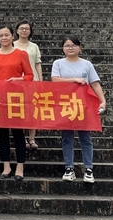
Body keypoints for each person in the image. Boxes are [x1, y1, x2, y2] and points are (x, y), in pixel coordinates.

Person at [51, 34, 107, 183]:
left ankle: (88, 169)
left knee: (85, 137)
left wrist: (103, 101)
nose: (70, 48)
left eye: (73, 45)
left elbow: (95, 83)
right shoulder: (58, 63)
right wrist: (74, 80)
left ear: (80, 47)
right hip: (65, 105)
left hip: (83, 105)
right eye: (67, 45)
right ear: (63, 48)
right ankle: (69, 168)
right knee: (67, 138)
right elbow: (55, 80)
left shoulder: (86, 64)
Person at [0, 25, 34, 180]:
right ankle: (6, 166)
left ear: (13, 36)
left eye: (7, 35)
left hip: (16, 98)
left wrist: (19, 79)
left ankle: (20, 166)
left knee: (18, 133)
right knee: (2, 133)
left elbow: (30, 76)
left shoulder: (21, 54)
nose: (4, 38)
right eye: (1, 35)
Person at [14, 20, 43, 151]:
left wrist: (40, 80)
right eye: (21, 28)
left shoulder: (34, 46)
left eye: (27, 28)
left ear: (30, 31)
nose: (24, 30)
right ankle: (22, 137)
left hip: (33, 80)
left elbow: (37, 63)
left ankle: (32, 138)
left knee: (32, 109)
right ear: (17, 31)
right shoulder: (12, 45)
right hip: (17, 80)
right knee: (20, 109)